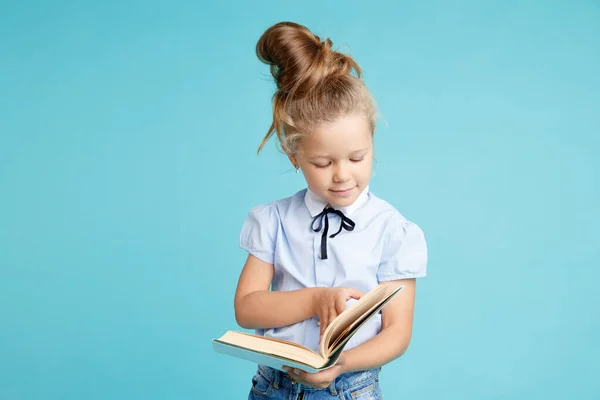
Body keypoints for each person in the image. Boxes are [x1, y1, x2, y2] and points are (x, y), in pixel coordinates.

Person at [234, 21, 428, 400]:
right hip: (272, 388)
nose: (342, 175)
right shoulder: (273, 221)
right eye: (322, 163)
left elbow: (397, 332)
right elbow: (247, 307)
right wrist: (317, 299)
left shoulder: (393, 232)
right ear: (294, 156)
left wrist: (340, 364)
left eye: (357, 157)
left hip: (349, 390)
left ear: (372, 141)